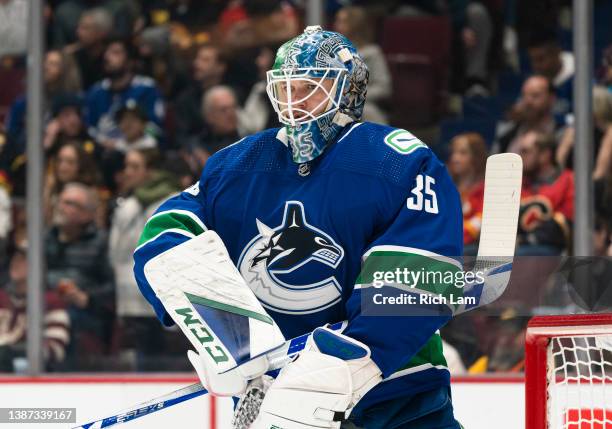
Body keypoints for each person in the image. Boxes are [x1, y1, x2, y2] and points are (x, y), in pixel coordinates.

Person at [133, 26, 463, 428]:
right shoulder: (238, 164)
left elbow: (416, 269)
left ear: (347, 92)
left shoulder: (396, 160)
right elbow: (169, 230)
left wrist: (352, 362)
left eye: (309, 88)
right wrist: (219, 329)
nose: (294, 104)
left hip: (395, 396)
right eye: (284, 90)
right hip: (276, 396)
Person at [109, 148, 181, 370]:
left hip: (163, 301)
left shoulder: (173, 202)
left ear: (151, 171)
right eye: (126, 166)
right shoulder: (126, 206)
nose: (127, 172)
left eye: (135, 166)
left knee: (164, 367)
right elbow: (114, 255)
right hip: (129, 303)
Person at [46, 183, 114, 369]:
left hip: (84, 316)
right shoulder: (46, 239)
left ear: (86, 214)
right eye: (61, 201)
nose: (61, 207)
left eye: (70, 203)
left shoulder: (101, 242)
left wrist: (86, 298)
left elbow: (112, 288)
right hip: (46, 310)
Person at [0, 245, 71, 372]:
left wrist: (15, 352)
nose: (16, 263)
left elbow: (55, 348)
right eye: (15, 259)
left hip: (25, 371)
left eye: (23, 260)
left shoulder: (50, 302)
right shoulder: (2, 298)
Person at [85, 38, 165, 150]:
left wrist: (136, 135)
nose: (107, 57)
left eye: (116, 53)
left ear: (130, 62)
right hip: (104, 153)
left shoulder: (147, 88)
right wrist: (103, 141)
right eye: (106, 52)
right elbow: (89, 129)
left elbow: (157, 130)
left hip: (140, 151)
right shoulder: (96, 92)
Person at [518, 131, 574, 255]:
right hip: (520, 247)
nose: (520, 156)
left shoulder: (567, 180)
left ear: (545, 155)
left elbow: (564, 226)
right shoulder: (518, 182)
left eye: (526, 151)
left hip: (552, 250)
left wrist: (530, 237)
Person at [334, 6, 392, 124]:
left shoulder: (373, 52)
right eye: (337, 21)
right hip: (332, 103)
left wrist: (355, 96)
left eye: (342, 21)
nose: (336, 25)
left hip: (363, 104)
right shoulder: (332, 54)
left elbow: (384, 88)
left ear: (356, 25)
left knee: (368, 112)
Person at [493, 74, 563, 154]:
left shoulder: (561, 133)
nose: (528, 101)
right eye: (524, 96)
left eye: (535, 95)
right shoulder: (508, 135)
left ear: (551, 99)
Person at [448, 132, 487, 254]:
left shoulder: (485, 189)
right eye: (453, 153)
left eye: (462, 153)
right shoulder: (445, 186)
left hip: (469, 246)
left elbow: (477, 226)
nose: (455, 158)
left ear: (476, 156)